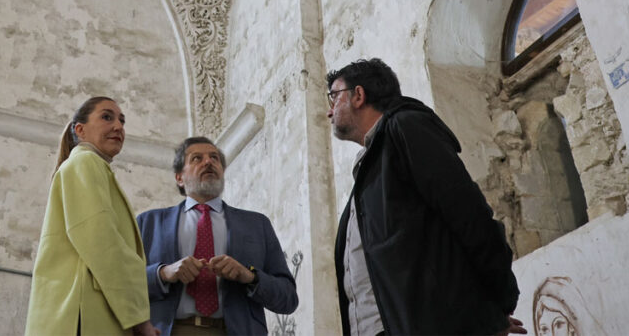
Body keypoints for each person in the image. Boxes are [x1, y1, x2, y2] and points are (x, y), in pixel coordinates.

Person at [328, 58, 527, 336]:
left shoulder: (405, 127)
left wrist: (494, 307)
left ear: (358, 95)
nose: (330, 112)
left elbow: (468, 215)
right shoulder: (367, 175)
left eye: (334, 97)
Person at [25, 97, 159, 336]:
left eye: (122, 120)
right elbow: (103, 244)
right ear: (80, 129)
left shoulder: (89, 167)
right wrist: (139, 319)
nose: (118, 126)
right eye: (107, 117)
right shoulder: (85, 162)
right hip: (84, 315)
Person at [137, 137, 298, 335]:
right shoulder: (149, 223)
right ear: (179, 177)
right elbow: (123, 287)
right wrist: (163, 273)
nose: (208, 162)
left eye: (214, 158)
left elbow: (288, 299)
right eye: (197, 158)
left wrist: (248, 276)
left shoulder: (257, 225)